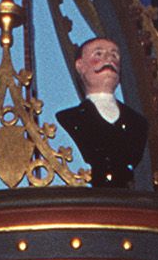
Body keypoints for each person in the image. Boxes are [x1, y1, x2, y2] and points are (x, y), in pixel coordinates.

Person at [57, 38, 150, 189]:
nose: (108, 60)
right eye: (98, 54)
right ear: (80, 66)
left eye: (114, 56)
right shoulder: (69, 118)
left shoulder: (137, 122)